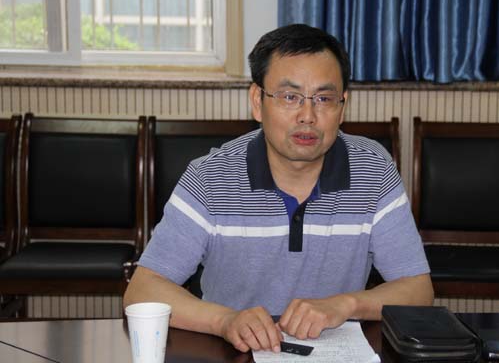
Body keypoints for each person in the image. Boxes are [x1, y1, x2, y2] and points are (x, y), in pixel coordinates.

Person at [123, 23, 433, 354]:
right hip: (234, 353)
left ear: (343, 106)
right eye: (289, 97)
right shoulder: (210, 178)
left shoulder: (373, 171)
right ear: (257, 101)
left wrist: (346, 304)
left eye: (324, 99)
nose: (307, 116)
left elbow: (418, 290)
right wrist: (224, 321)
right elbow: (142, 290)